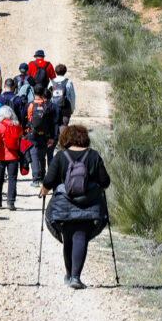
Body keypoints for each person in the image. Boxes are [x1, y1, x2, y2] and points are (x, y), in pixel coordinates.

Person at [40, 124, 111, 290]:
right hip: (89, 205)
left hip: (64, 206)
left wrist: (43, 191)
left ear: (65, 138)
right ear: (84, 138)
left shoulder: (60, 156)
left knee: (68, 238)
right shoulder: (93, 156)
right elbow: (105, 182)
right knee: (81, 237)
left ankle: (69, 274)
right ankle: (75, 277)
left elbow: (49, 181)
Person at [0, 105, 23, 211]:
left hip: (1, 156)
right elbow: (21, 134)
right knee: (12, 179)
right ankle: (11, 202)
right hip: (13, 156)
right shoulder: (15, 124)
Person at [26, 84, 60, 187]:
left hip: (32, 133)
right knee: (42, 155)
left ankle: (36, 179)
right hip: (45, 134)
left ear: (33, 93)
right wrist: (52, 137)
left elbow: (24, 118)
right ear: (43, 94)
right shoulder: (47, 106)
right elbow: (52, 123)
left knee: (33, 154)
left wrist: (23, 133)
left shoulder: (30, 105)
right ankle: (42, 176)